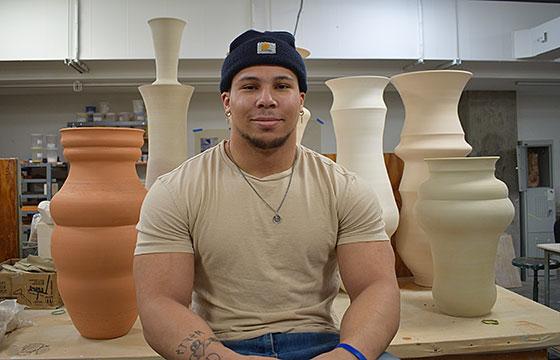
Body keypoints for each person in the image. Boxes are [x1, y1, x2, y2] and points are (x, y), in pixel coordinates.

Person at [134, 29, 400, 360]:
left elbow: (377, 288)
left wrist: (349, 354)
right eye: (249, 86)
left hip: (322, 345)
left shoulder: (345, 187)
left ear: (300, 100)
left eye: (282, 86)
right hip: (221, 346)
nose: (266, 99)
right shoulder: (175, 191)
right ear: (227, 101)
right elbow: (160, 303)